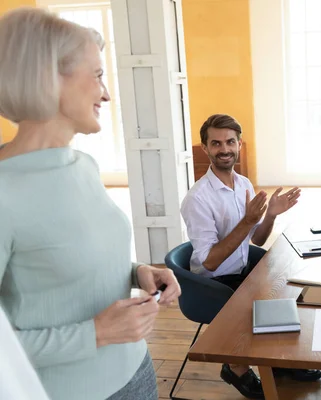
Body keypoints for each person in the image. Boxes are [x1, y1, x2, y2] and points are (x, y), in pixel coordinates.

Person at [0, 8, 181, 400]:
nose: (107, 92)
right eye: (97, 74)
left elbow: (72, 257)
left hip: (137, 372)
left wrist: (140, 272)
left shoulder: (82, 165)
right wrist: (95, 334)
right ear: (48, 76)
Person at [180, 114, 321, 399]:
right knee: (259, 301)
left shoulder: (243, 183)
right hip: (213, 282)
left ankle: (274, 361)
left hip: (241, 269)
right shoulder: (197, 199)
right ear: (205, 147)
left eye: (230, 142)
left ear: (239, 144)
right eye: (216, 143)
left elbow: (256, 239)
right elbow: (209, 262)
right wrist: (246, 221)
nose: (224, 149)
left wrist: (270, 214)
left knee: (288, 287)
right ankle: (236, 367)